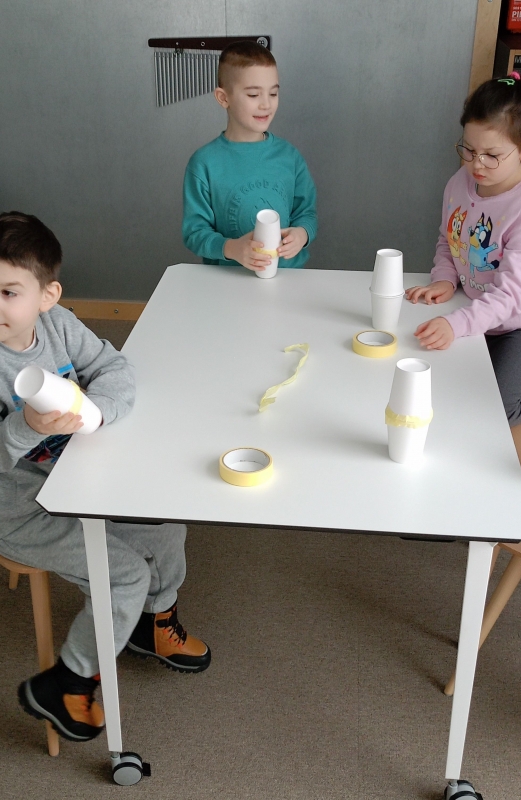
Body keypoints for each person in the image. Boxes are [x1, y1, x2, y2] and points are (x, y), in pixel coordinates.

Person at [0, 212, 210, 744]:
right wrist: (25, 427)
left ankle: (151, 623)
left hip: (76, 475)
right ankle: (69, 681)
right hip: (18, 509)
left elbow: (113, 368)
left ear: (47, 296)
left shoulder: (57, 324)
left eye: (8, 292)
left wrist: (96, 413)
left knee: (163, 522)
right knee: (124, 577)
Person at [406, 73, 521, 426]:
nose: (476, 165)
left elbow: (510, 297)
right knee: (443, 391)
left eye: (492, 155)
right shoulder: (461, 181)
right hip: (478, 305)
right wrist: (445, 278)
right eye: (469, 150)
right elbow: (449, 238)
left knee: (495, 413)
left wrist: (456, 324)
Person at [182, 40, 317, 273]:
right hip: (227, 282)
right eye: (254, 94)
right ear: (224, 98)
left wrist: (302, 235)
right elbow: (194, 232)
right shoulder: (204, 163)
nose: (266, 104)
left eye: (273, 93)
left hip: (288, 280)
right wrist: (231, 248)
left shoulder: (290, 157)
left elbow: (307, 214)